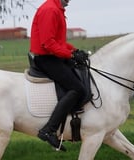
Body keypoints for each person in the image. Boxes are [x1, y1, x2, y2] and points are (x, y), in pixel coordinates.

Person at [30, 0, 88, 151]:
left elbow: (59, 42)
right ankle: (48, 130)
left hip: (53, 57)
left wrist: (75, 51)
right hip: (47, 59)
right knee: (77, 89)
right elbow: (48, 43)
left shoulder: (56, 9)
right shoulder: (50, 10)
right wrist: (70, 55)